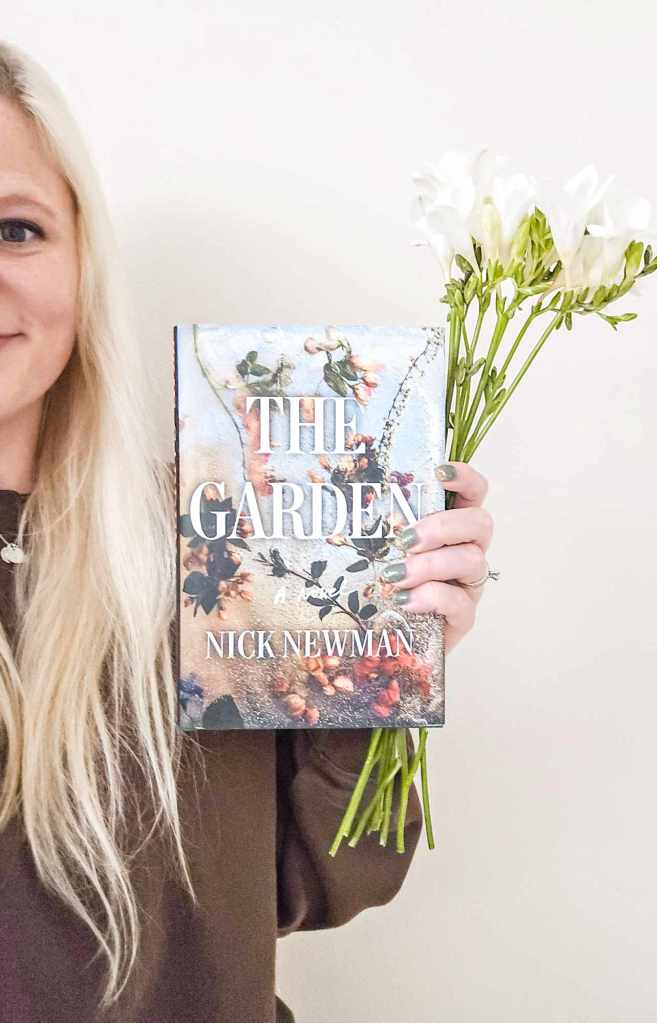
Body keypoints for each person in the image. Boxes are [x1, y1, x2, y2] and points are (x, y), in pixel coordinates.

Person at [0, 40, 495, 1023]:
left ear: (85, 258)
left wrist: (386, 655)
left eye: (17, 229)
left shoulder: (222, 537)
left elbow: (314, 879)